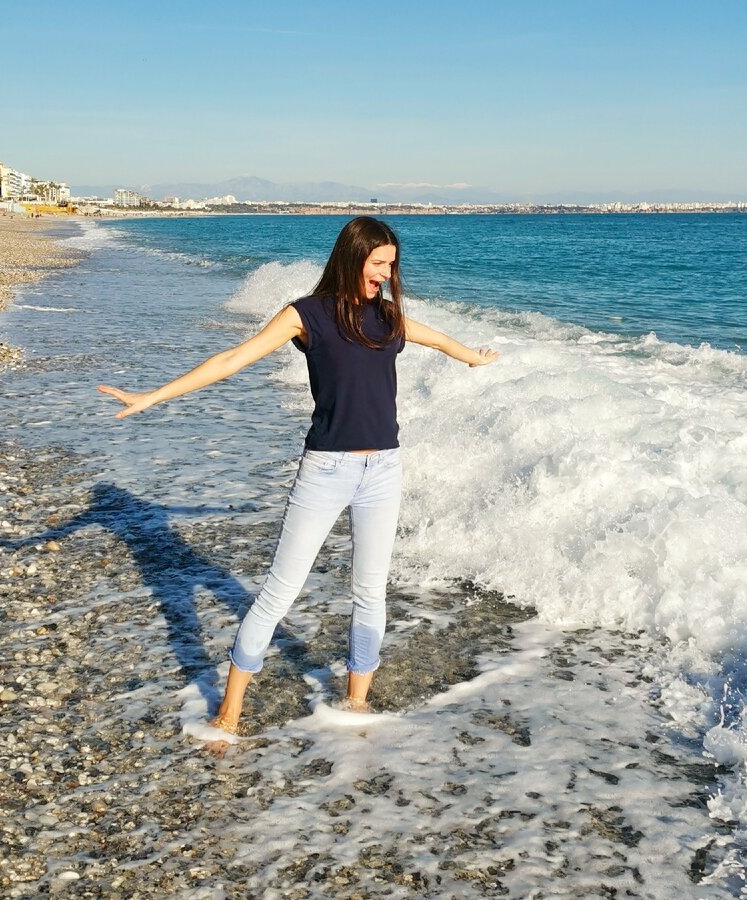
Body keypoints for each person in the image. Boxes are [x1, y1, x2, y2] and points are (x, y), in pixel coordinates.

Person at [98, 217, 499, 735]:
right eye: (379, 263)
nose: (385, 274)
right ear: (353, 257)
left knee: (370, 592)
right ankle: (229, 713)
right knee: (279, 592)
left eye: (392, 266)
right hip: (326, 470)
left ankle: (356, 705)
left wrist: (474, 358)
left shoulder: (389, 318)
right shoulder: (305, 315)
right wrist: (152, 395)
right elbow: (232, 359)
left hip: (384, 469)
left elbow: (440, 340)